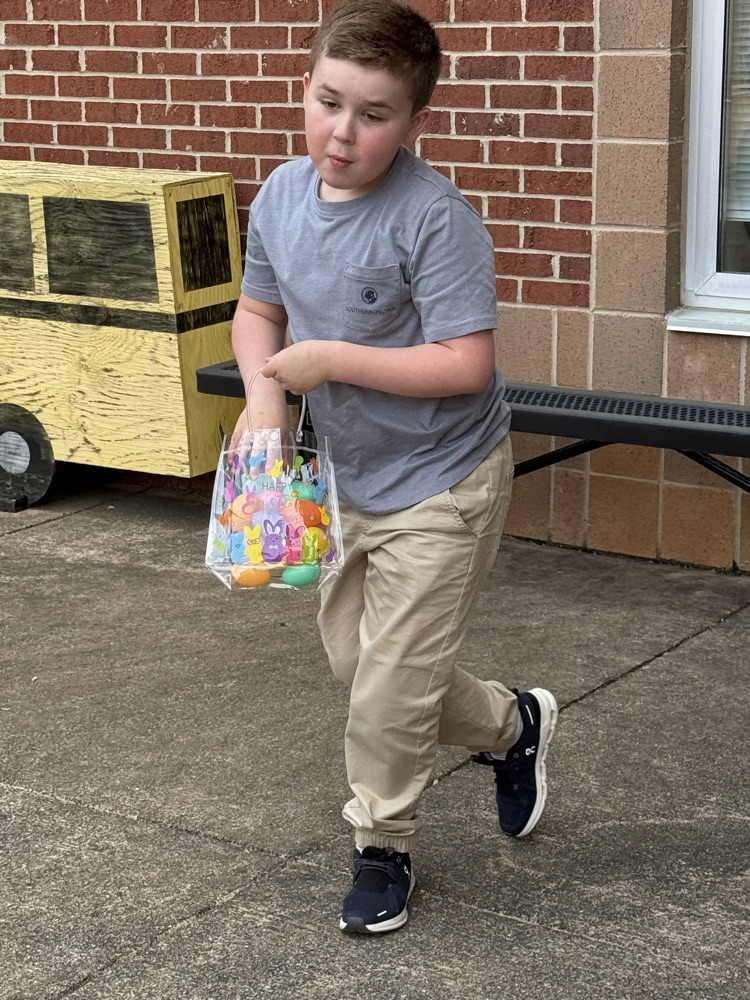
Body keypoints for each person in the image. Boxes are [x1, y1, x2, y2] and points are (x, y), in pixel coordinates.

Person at [230, 0, 557, 935]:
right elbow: (258, 313)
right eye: (328, 102)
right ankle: (514, 726)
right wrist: (266, 404)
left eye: (373, 115)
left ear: (415, 120)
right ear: (304, 87)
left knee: (387, 693)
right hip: (348, 477)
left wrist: (329, 360)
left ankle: (383, 846)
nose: (342, 133)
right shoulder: (280, 196)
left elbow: (465, 364)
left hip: (445, 481)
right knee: (360, 665)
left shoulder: (434, 218)